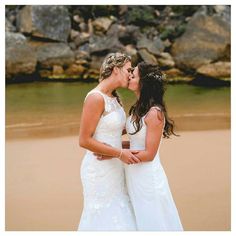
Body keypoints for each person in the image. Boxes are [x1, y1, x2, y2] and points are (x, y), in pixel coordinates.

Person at [97, 62, 183, 231]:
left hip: (147, 177)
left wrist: (116, 153)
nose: (129, 76)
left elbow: (149, 153)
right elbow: (137, 142)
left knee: (153, 221)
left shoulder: (154, 113)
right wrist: (109, 145)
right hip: (133, 174)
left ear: (143, 83)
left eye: (133, 75)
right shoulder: (138, 108)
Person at [78, 52, 139, 231]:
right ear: (115, 70)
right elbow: (84, 140)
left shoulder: (114, 97)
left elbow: (112, 133)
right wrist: (119, 153)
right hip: (98, 169)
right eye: (128, 69)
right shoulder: (95, 98)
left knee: (119, 213)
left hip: (115, 167)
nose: (131, 74)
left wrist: (143, 125)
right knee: (102, 216)